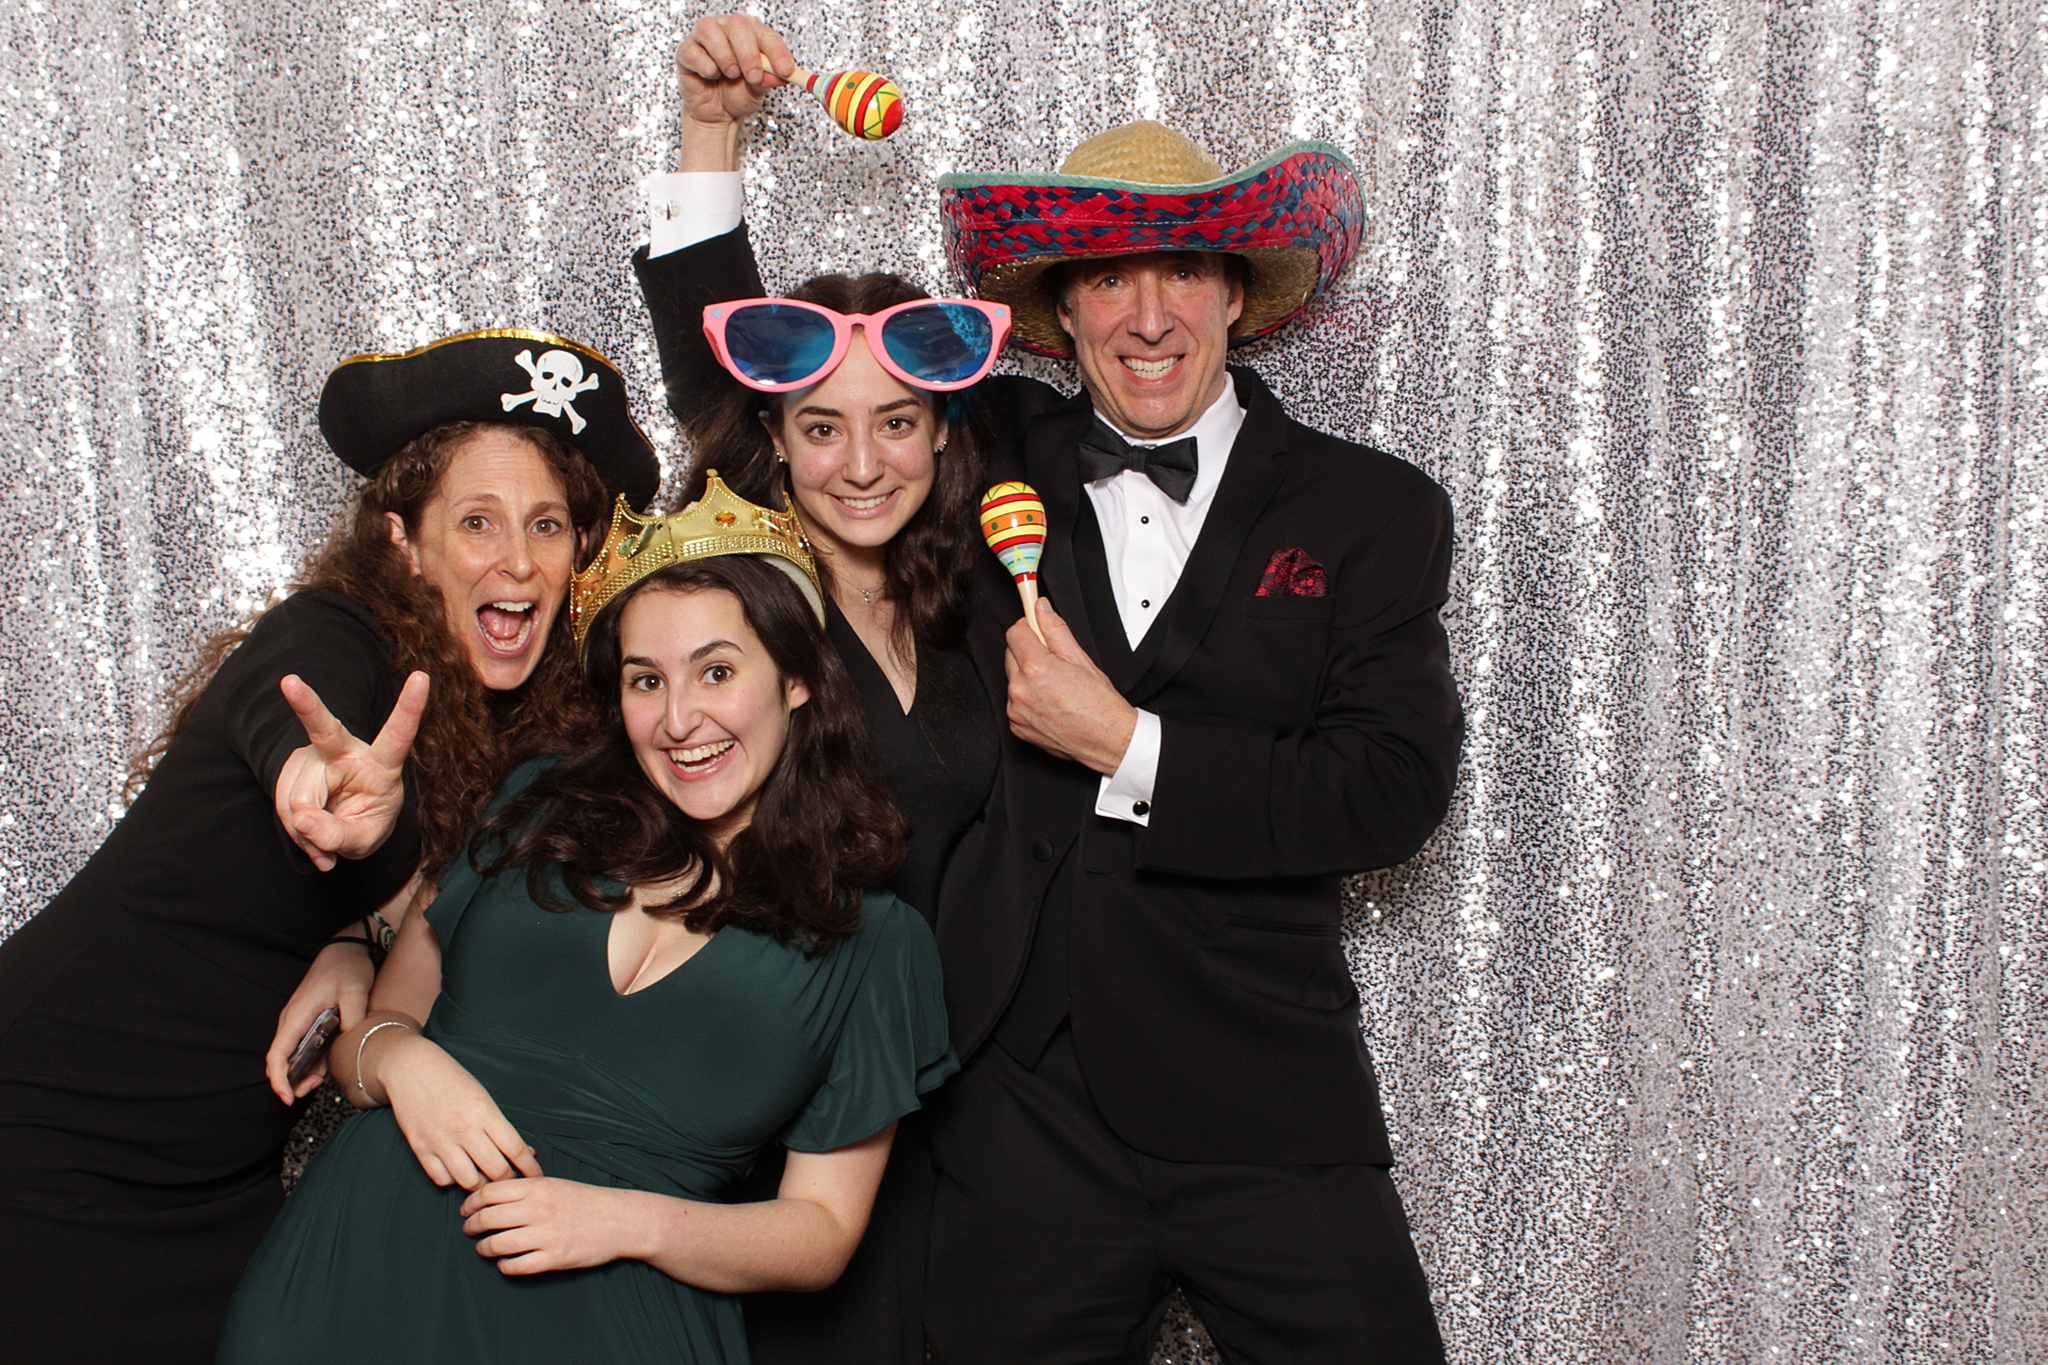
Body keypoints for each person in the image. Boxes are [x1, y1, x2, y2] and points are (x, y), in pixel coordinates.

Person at [652, 16, 1466, 1364]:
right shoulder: (981, 451)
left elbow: (1389, 790)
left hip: (1263, 1100)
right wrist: (709, 139)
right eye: (1108, 276)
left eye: (1181, 272)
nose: (1146, 316)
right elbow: (764, 394)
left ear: (1237, 295)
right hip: (1013, 1113)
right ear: (1060, 309)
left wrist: (1129, 745)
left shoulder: (1371, 510)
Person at [0, 330, 659, 1363]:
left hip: (214, 1182)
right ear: (403, 542)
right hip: (50, 1124)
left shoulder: (530, 731)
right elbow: (290, 705)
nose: (520, 562)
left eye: (549, 524)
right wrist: (316, 785)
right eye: (477, 522)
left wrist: (358, 935)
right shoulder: (336, 636)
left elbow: (455, 914)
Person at [215, 480, 956, 1365]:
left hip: (611, 1321)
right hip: (351, 1285)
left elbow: (823, 1231)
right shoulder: (536, 805)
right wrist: (404, 1059)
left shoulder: (874, 941)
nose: (680, 720)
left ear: (795, 679)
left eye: (717, 671)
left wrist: (623, 1220)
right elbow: (371, 1028)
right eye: (648, 680)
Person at [632, 35, 1008, 1365]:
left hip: (948, 1117)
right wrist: (708, 133)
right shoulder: (741, 616)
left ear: (948, 433)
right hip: (764, 1096)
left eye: (899, 420)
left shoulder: (983, 604)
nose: (863, 461)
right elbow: (709, 356)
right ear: (771, 439)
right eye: (822, 425)